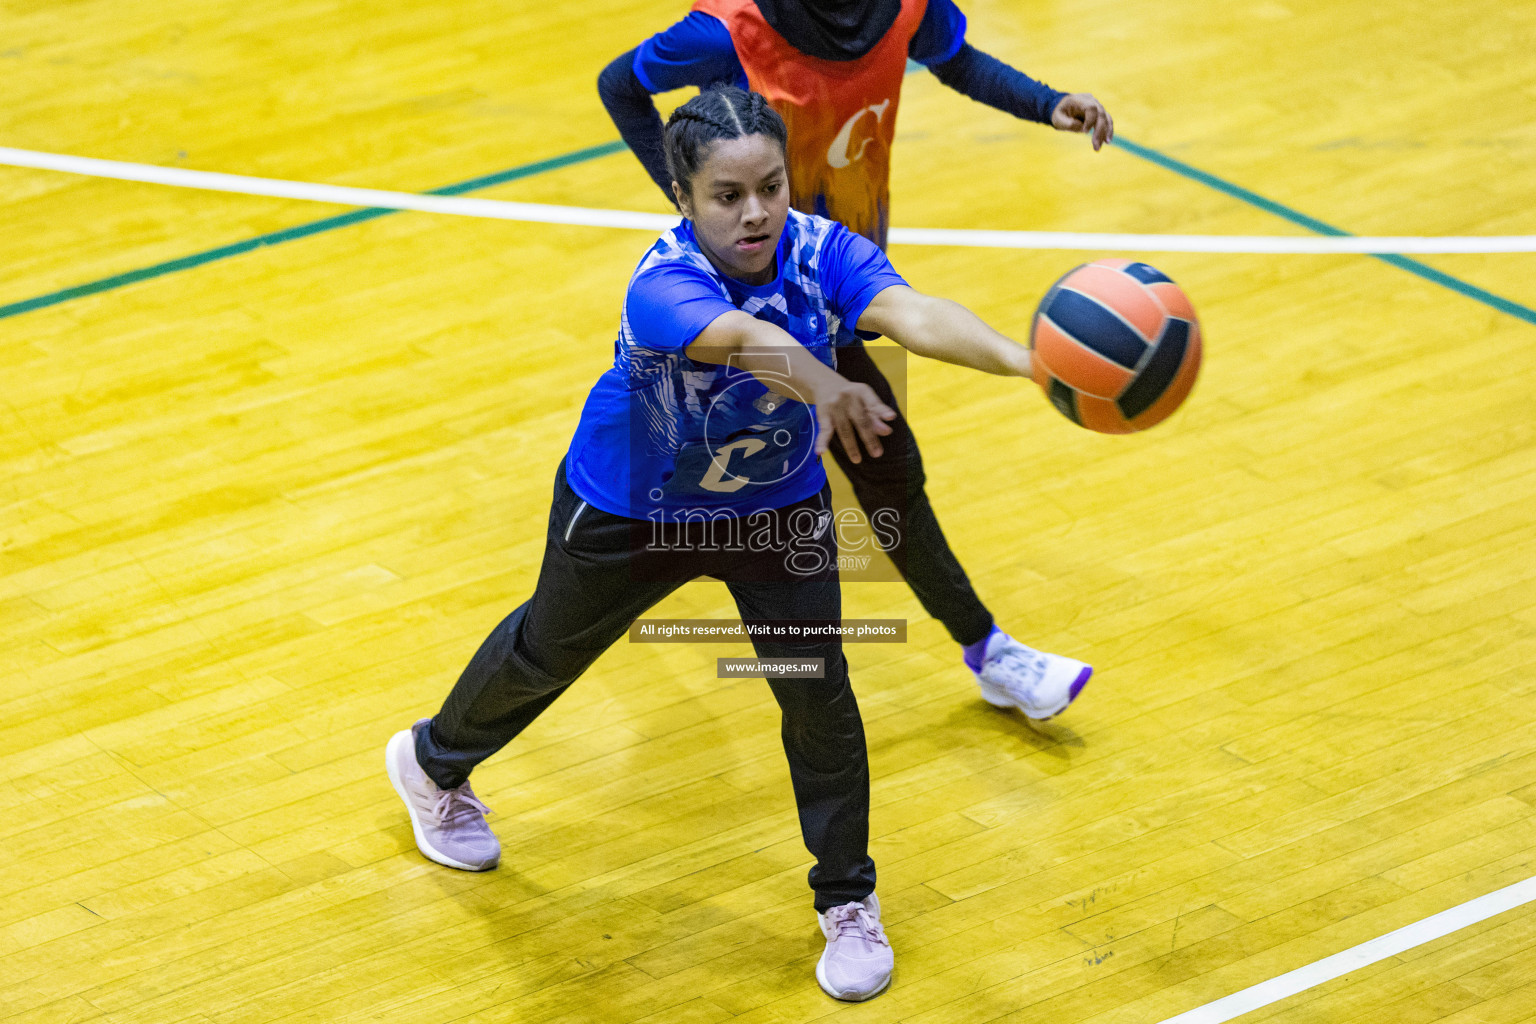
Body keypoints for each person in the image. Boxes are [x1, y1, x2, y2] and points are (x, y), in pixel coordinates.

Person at [388, 85, 1072, 1002]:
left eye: (773, 187)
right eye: (727, 195)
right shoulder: (664, 282)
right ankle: (432, 763)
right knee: (547, 653)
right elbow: (746, 340)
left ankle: (847, 900)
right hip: (635, 509)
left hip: (774, 511)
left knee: (815, 692)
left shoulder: (824, 250)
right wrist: (828, 385)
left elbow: (914, 315)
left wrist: (1029, 362)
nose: (756, 213)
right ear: (684, 197)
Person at [599, 0, 1109, 718]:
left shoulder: (903, 10)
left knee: (890, 474)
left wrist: (1045, 103)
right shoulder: (729, 30)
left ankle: (990, 652)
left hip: (831, 294)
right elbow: (619, 84)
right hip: (729, 317)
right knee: (666, 528)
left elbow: (953, 59)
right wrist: (693, 208)